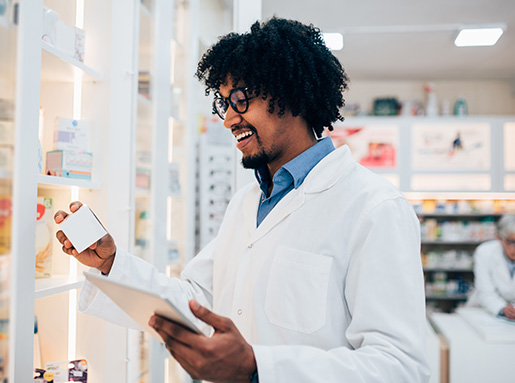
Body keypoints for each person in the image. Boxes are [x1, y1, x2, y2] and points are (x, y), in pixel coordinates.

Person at [54, 18, 430, 382]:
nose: (229, 119)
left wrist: (258, 368)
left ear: (291, 93)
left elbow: (399, 366)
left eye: (241, 99)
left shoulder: (374, 208)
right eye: (224, 103)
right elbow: (198, 301)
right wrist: (112, 265)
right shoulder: (247, 203)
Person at [467, 214, 515, 320]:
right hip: (485, 309)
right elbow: (485, 291)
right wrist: (501, 308)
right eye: (512, 242)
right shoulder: (485, 252)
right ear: (500, 238)